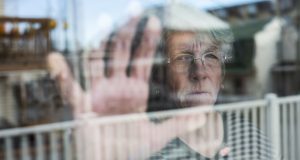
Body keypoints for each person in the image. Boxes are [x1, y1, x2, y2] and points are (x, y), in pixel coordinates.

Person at [47, 3, 274, 160]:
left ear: (222, 75)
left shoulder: (246, 133)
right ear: (161, 76)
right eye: (183, 58)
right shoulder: (144, 144)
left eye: (211, 56)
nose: (200, 72)